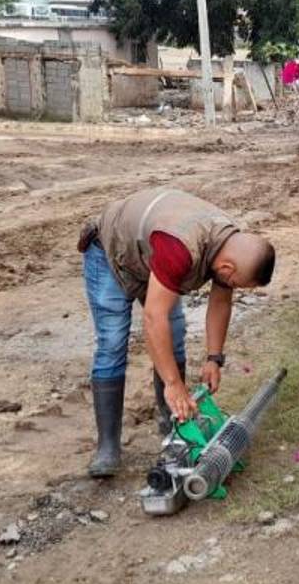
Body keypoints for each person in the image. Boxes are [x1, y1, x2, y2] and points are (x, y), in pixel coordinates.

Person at [77, 188, 276, 477]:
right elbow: (153, 317)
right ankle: (108, 446)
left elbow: (220, 301)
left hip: (150, 256)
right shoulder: (181, 247)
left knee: (175, 333)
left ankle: (171, 421)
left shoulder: (226, 242)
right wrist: (174, 383)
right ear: (227, 266)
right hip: (110, 251)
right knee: (113, 342)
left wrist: (214, 358)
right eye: (237, 282)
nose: (233, 287)